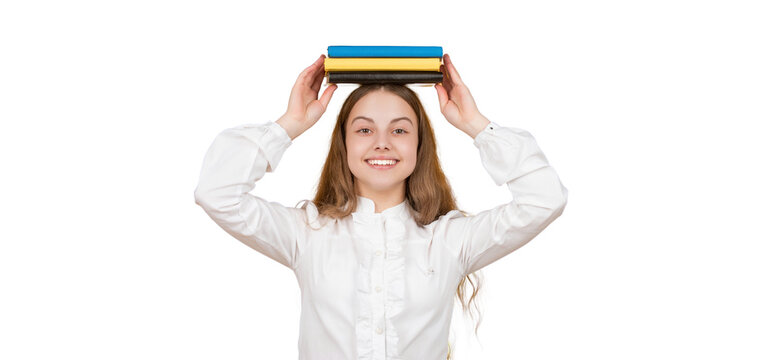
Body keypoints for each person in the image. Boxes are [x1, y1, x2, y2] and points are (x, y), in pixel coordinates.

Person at [194, 53, 568, 360]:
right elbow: (217, 192)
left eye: (400, 130)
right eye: (364, 129)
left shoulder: (452, 240)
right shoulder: (306, 233)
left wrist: (475, 124)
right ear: (344, 145)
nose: (383, 143)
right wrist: (289, 124)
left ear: (420, 147)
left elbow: (545, 199)